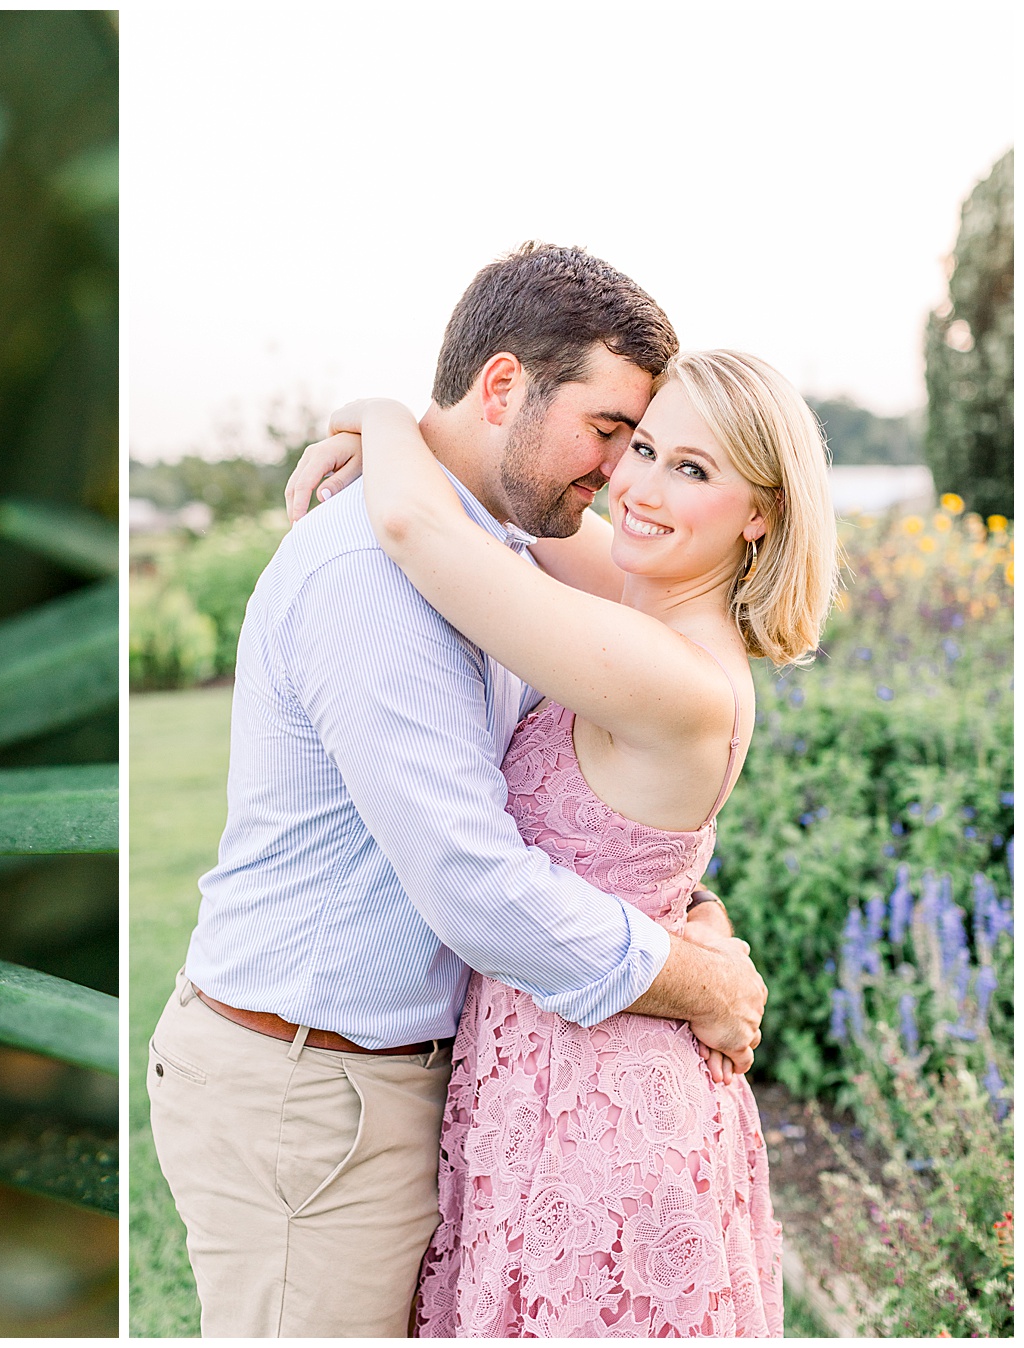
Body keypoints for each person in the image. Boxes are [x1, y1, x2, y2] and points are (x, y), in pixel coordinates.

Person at [145, 243, 770, 1338]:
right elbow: (475, 885)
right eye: (617, 435)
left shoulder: (508, 556)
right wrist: (700, 979)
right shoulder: (380, 574)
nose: (618, 478)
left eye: (664, 454)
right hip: (313, 1096)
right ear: (502, 388)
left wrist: (382, 424)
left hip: (435, 1087)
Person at [288, 347, 838, 1335]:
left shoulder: (673, 673)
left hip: (602, 1112)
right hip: (543, 1072)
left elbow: (418, 523)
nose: (640, 486)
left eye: (695, 470)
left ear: (762, 512)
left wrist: (375, 412)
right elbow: (512, 513)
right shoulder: (639, 592)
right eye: (643, 447)